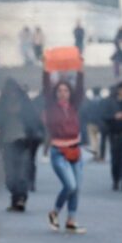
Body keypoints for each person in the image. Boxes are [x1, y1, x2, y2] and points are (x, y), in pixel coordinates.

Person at [43, 66, 86, 233]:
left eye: (66, 90)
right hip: (59, 151)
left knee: (77, 188)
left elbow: (81, 90)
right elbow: (46, 88)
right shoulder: (51, 107)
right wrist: (46, 70)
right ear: (55, 93)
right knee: (71, 185)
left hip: (75, 150)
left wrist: (80, 71)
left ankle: (71, 220)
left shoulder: (74, 107)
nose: (63, 93)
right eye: (59, 90)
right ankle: (54, 212)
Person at [0, 78, 43, 212]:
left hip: (24, 141)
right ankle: (14, 199)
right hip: (7, 142)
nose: (12, 94)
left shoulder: (26, 104)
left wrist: (35, 136)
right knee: (10, 176)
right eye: (9, 91)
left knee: (22, 173)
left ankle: (21, 198)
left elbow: (34, 120)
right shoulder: (2, 105)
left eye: (14, 91)